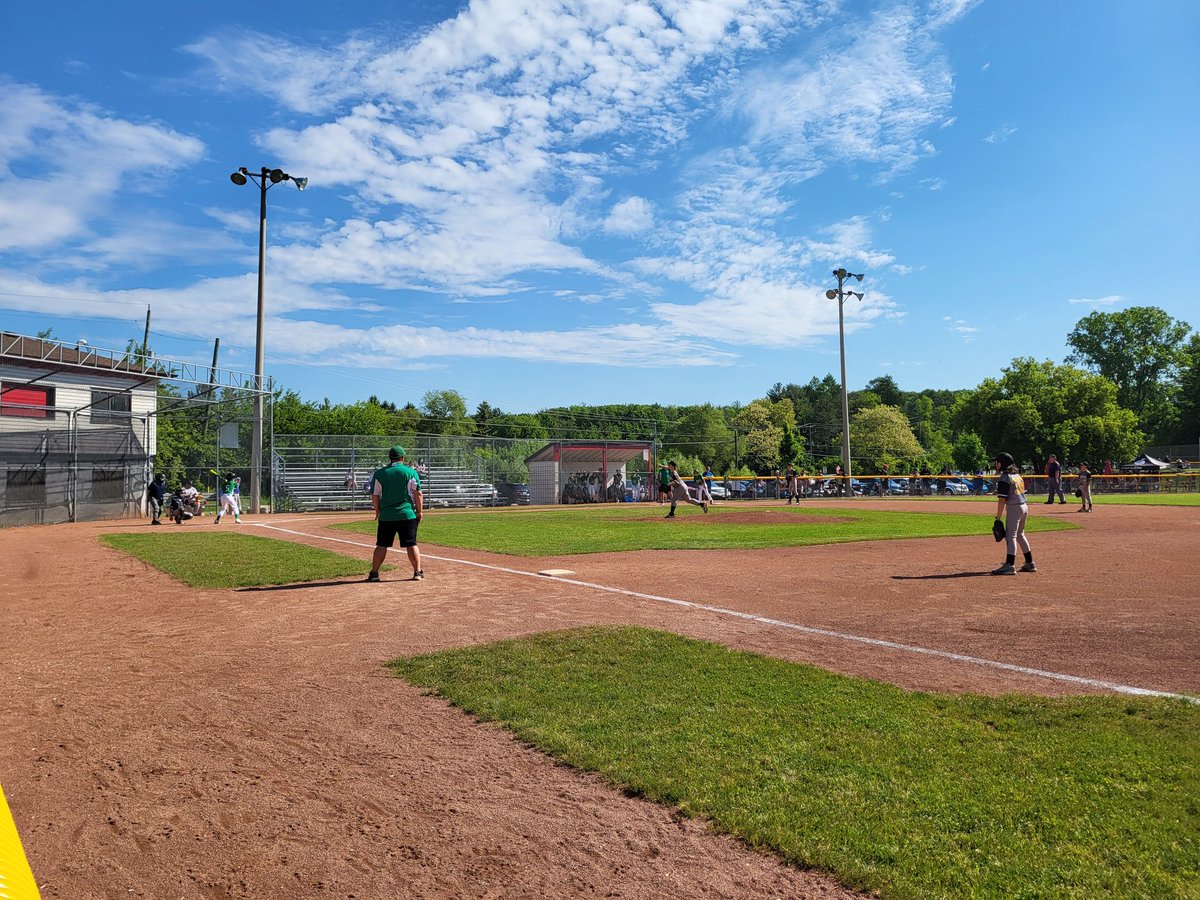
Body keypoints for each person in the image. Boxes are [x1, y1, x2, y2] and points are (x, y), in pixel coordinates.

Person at [367, 445, 424, 583]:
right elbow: (418, 493)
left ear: (390, 458)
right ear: (402, 457)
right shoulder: (410, 472)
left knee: (381, 545)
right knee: (411, 544)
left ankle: (374, 574)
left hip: (387, 515)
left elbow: (375, 496)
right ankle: (417, 572)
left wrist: (378, 512)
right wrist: (420, 511)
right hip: (407, 514)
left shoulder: (380, 473)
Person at [991, 451, 1036, 575]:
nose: (996, 464)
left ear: (1001, 464)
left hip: (1014, 508)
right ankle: (1030, 562)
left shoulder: (1004, 477)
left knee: (1011, 537)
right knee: (1020, 534)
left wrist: (998, 517)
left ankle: (1009, 565)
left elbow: (1002, 500)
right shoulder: (1017, 475)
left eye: (997, 462)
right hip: (1024, 507)